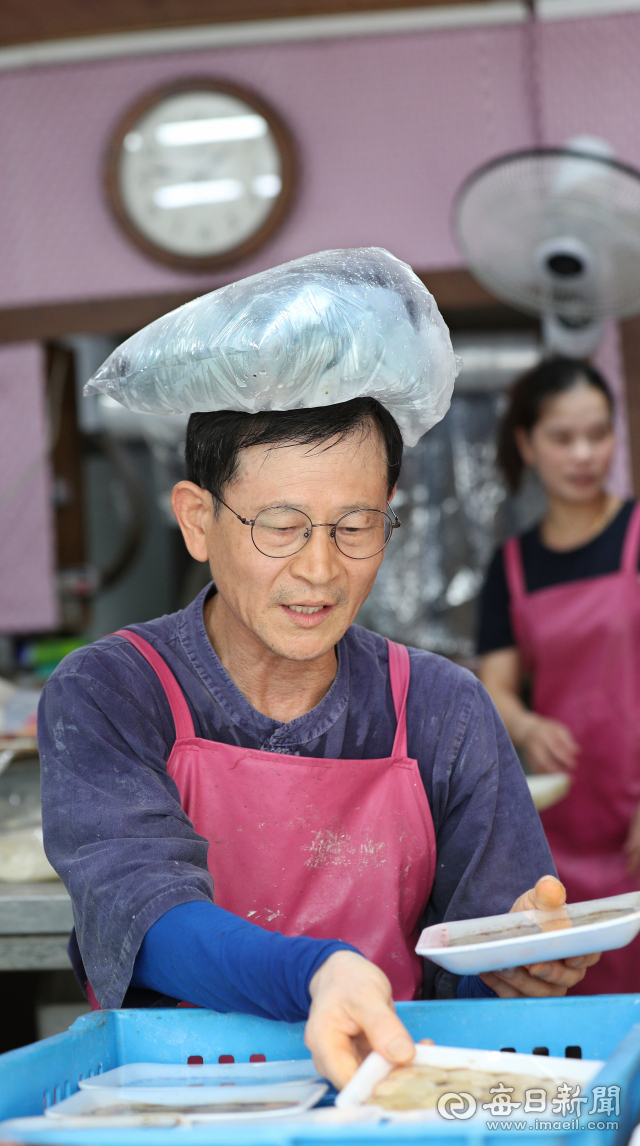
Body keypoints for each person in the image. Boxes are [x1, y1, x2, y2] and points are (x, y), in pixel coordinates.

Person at [39, 253, 597, 1091]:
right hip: (175, 1105)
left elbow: (475, 975)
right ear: (198, 519)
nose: (320, 571)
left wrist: (519, 961)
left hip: (391, 1096)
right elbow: (144, 916)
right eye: (281, 525)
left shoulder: (441, 710)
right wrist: (320, 972)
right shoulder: (113, 692)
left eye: (356, 526)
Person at [478, 355, 640, 995]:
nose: (584, 454)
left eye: (598, 434)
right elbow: (494, 681)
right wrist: (524, 720)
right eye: (563, 437)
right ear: (528, 444)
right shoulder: (511, 567)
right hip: (557, 836)